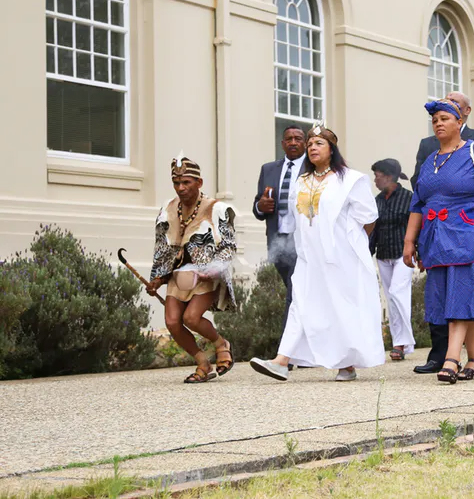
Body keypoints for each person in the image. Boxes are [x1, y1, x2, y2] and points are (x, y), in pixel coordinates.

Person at [249, 125, 384, 383]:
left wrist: (349, 245)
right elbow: (297, 219)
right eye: (310, 144)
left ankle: (347, 365)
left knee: (340, 307)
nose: (312, 147)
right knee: (300, 302)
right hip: (308, 256)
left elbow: (368, 218)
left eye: (318, 143)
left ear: (331, 149)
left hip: (341, 256)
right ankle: (281, 361)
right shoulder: (302, 181)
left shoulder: (350, 179)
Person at [404, 99, 474, 383]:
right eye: (435, 120)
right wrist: (410, 241)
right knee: (453, 296)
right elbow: (417, 203)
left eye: (445, 118)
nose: (438, 123)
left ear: (459, 122)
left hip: (469, 235)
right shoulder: (429, 161)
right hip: (436, 238)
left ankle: (451, 358)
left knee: (461, 295)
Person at [149, 155, 237, 383]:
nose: (181, 188)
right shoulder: (167, 210)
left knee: (191, 318)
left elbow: (228, 246)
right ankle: (203, 363)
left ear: (199, 183)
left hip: (206, 276)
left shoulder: (217, 209)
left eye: (186, 182)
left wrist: (213, 269)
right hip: (177, 276)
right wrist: (157, 278)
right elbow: (162, 247)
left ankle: (221, 344)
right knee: (172, 322)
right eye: (176, 183)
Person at [253, 125, 306, 327]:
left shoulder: (313, 168)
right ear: (282, 143)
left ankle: (287, 342)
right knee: (295, 291)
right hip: (278, 242)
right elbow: (257, 206)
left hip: (302, 242)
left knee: (295, 292)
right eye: (289, 139)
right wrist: (260, 206)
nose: (293, 142)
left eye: (298, 138)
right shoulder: (268, 169)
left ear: (305, 143)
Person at [370, 158, 416, 361]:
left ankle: (402, 342)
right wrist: (367, 254)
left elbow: (417, 226)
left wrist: (419, 253)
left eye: (377, 176)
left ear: (389, 177)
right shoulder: (377, 201)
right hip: (383, 255)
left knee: (398, 293)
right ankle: (400, 343)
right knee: (391, 298)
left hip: (403, 255)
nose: (375, 180)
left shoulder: (408, 198)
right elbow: (373, 231)